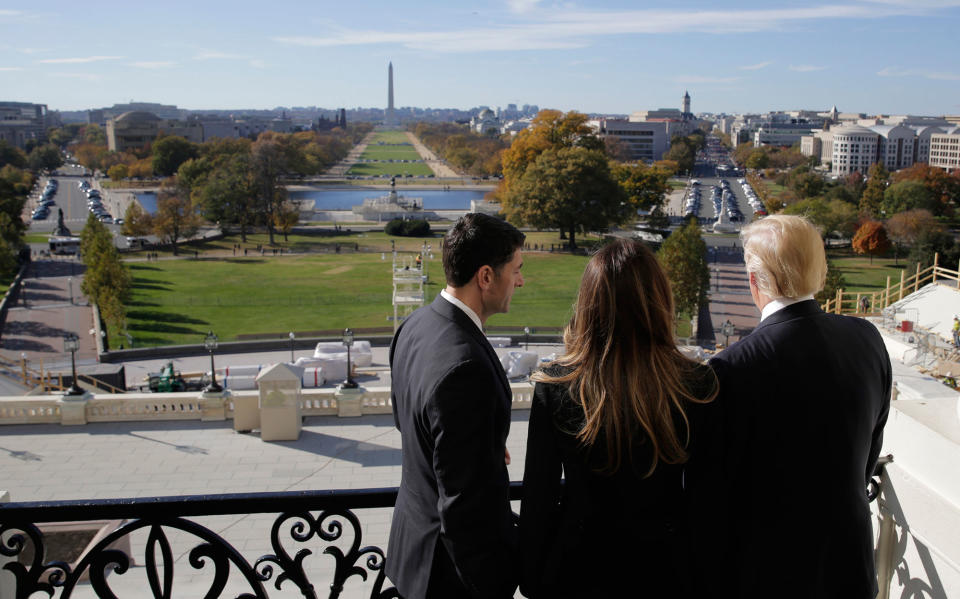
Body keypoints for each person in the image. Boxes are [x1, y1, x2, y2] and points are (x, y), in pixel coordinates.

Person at [520, 239, 719, 598]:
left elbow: (539, 497)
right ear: (659, 301)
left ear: (589, 304)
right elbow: (707, 499)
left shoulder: (555, 384)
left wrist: (533, 578)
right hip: (667, 569)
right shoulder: (697, 383)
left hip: (577, 568)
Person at [709, 215, 891, 598]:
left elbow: (716, 486)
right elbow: (869, 450)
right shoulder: (867, 338)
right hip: (850, 564)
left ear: (755, 280)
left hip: (765, 571)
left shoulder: (731, 368)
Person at [387, 213, 525, 599]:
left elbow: (408, 421)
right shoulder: (467, 368)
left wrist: (474, 441)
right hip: (450, 576)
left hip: (412, 552)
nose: (520, 280)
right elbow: (464, 508)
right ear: (485, 277)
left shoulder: (414, 326)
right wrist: (493, 584)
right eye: (515, 269)